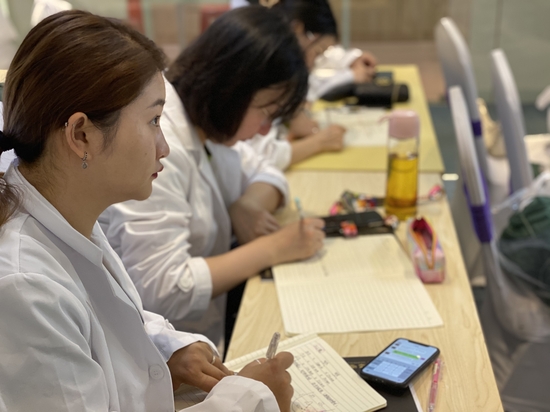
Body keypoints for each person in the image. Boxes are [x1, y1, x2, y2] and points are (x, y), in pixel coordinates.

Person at [0, 10, 294, 411]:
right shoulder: (25, 288)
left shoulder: (62, 208)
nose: (164, 146)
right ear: (81, 134)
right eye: (154, 120)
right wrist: (252, 399)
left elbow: (107, 320)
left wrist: (166, 349)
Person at [99, 6, 325, 353]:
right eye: (265, 112)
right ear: (231, 88)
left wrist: (246, 204)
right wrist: (273, 248)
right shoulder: (162, 151)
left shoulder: (209, 129)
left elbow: (266, 168)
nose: (266, 129)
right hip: (159, 352)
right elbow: (162, 289)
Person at [235, 0, 379, 170]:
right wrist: (319, 142)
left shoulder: (272, 50)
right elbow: (254, 158)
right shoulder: (263, 65)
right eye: (317, 52)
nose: (312, 64)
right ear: (297, 29)